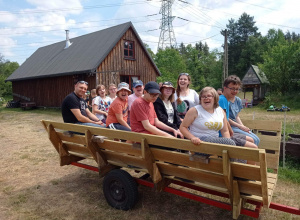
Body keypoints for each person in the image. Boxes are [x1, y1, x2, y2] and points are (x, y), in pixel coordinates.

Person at [180, 87, 236, 152]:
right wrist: (192, 138)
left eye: (209, 96)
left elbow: (225, 131)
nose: (206, 98)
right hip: (199, 142)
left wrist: (228, 147)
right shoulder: (194, 110)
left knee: (237, 145)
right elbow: (183, 127)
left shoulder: (220, 110)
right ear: (200, 99)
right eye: (203, 96)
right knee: (230, 143)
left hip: (214, 141)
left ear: (215, 98)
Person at [222, 75, 260, 146]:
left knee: (257, 139)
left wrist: (243, 127)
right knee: (254, 140)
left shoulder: (238, 100)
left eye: (237, 89)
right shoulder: (223, 100)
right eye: (232, 89)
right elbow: (225, 119)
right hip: (229, 127)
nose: (235, 91)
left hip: (236, 126)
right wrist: (240, 126)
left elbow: (237, 116)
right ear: (225, 88)